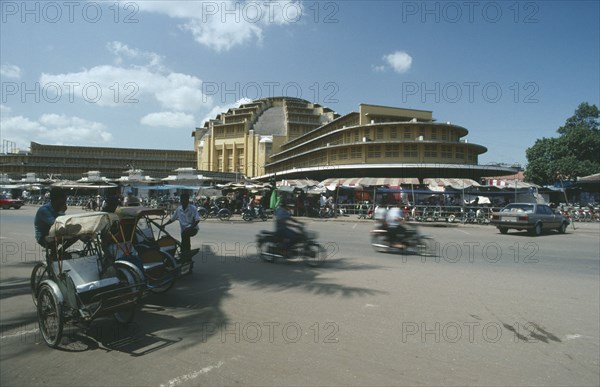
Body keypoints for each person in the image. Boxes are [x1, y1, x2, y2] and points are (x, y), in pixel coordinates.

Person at [163, 192, 200, 258]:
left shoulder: (193, 208)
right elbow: (172, 219)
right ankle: (186, 252)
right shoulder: (178, 209)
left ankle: (185, 251)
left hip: (193, 229)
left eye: (185, 200)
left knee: (185, 234)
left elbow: (197, 220)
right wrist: (164, 225)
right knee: (184, 236)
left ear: (188, 200)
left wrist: (191, 227)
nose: (183, 201)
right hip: (184, 231)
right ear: (181, 200)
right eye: (182, 200)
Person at [34, 187, 69, 251]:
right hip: (44, 236)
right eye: (63, 201)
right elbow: (56, 224)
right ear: (56, 200)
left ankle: (61, 251)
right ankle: (54, 254)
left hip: (56, 233)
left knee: (76, 236)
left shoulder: (58, 208)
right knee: (60, 237)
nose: (65, 203)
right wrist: (62, 212)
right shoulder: (44, 210)